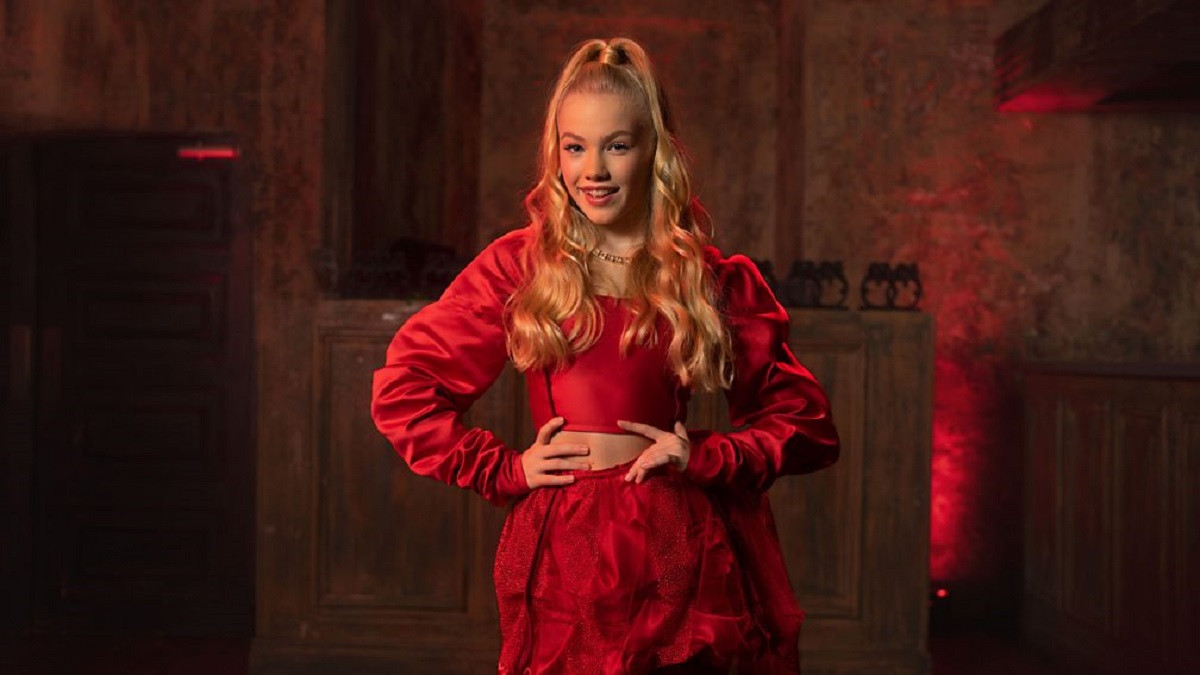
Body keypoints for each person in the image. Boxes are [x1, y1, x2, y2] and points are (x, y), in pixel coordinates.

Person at [371, 37, 839, 675]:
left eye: (617, 145)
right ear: (556, 152)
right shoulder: (522, 266)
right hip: (566, 542)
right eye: (575, 147)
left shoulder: (707, 277)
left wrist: (708, 456)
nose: (593, 169)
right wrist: (502, 470)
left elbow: (807, 424)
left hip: (675, 537)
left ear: (655, 151)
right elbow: (404, 388)